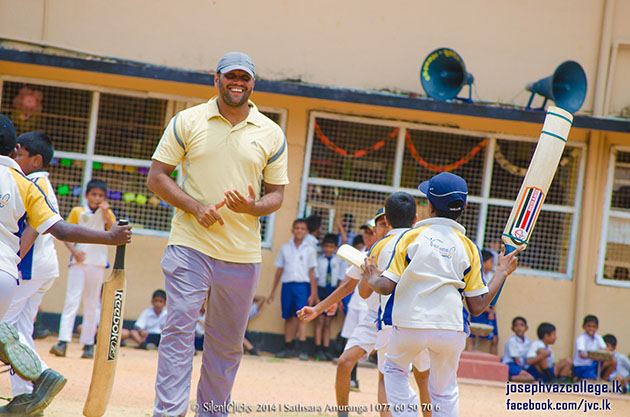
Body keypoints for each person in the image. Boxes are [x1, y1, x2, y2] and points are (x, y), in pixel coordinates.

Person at [146, 52, 288, 417]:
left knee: (225, 346)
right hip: (190, 244)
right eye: (230, 76)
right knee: (179, 331)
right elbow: (157, 177)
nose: (237, 82)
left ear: (253, 82)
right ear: (217, 79)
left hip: (241, 254)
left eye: (244, 76)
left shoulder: (271, 132)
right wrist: (195, 207)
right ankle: (169, 412)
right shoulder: (188, 120)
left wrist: (252, 207)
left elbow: (277, 196)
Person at [0, 117, 131, 415]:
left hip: (27, 267)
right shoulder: (34, 181)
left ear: (35, 159)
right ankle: (28, 396)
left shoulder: (30, 181)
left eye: (19, 154)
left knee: (5, 329)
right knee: (20, 327)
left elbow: (36, 228)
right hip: (39, 268)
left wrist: (15, 260)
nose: (14, 159)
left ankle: (42, 375)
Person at [364, 172, 522, 417]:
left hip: (410, 324)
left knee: (394, 370)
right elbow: (477, 305)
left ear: (428, 205)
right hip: (451, 328)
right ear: (465, 206)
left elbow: (385, 286)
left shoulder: (410, 237)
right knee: (444, 391)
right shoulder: (469, 247)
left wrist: (371, 276)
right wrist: (501, 272)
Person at [50, 179, 116, 360]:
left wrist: (106, 212)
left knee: (92, 303)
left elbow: (114, 230)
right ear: (86, 195)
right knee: (72, 300)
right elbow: (67, 233)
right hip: (79, 261)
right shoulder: (77, 211)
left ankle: (88, 344)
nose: (97, 198)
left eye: (100, 195)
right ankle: (63, 342)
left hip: (98, 262)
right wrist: (74, 251)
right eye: (94, 194)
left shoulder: (106, 212)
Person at [268, 219, 318, 361]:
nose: (299, 231)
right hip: (287, 286)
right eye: (297, 228)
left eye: (302, 229)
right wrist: (272, 292)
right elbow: (279, 271)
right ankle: (287, 347)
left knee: (302, 316)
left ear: (306, 232)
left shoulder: (309, 250)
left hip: (302, 286)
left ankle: (301, 349)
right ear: (292, 230)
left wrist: (313, 293)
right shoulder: (285, 248)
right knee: (288, 316)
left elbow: (312, 272)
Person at [313, 233, 347, 361]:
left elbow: (340, 281)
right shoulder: (319, 260)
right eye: (326, 246)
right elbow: (315, 279)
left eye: (331, 247)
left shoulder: (337, 261)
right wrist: (316, 297)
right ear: (322, 247)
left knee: (327, 323)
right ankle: (317, 349)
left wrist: (338, 300)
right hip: (321, 291)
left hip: (332, 292)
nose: (328, 249)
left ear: (335, 248)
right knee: (319, 321)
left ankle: (326, 349)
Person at [466, 249, 499, 355]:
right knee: (471, 335)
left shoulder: (491, 277)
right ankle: (469, 356)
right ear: (483, 262)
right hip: (480, 308)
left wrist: (492, 311)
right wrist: (487, 310)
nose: (493, 265)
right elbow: (476, 296)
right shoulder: (478, 276)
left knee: (494, 338)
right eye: (491, 262)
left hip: (489, 310)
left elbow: (494, 295)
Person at [572, 314, 608, 380]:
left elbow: (605, 350)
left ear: (597, 328)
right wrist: (595, 356)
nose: (591, 328)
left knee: (612, 361)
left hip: (593, 363)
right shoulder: (581, 339)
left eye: (594, 327)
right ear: (583, 327)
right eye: (589, 326)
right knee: (590, 379)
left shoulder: (598, 337)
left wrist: (597, 356)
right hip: (582, 366)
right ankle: (581, 377)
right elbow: (582, 355)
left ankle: (604, 379)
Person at [500, 316, 534, 382]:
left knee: (533, 375)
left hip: (522, 366)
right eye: (516, 326)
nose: (519, 328)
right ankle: (507, 378)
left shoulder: (528, 341)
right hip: (511, 365)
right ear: (512, 328)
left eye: (522, 325)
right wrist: (522, 370)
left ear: (526, 328)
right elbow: (516, 360)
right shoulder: (512, 341)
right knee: (530, 378)